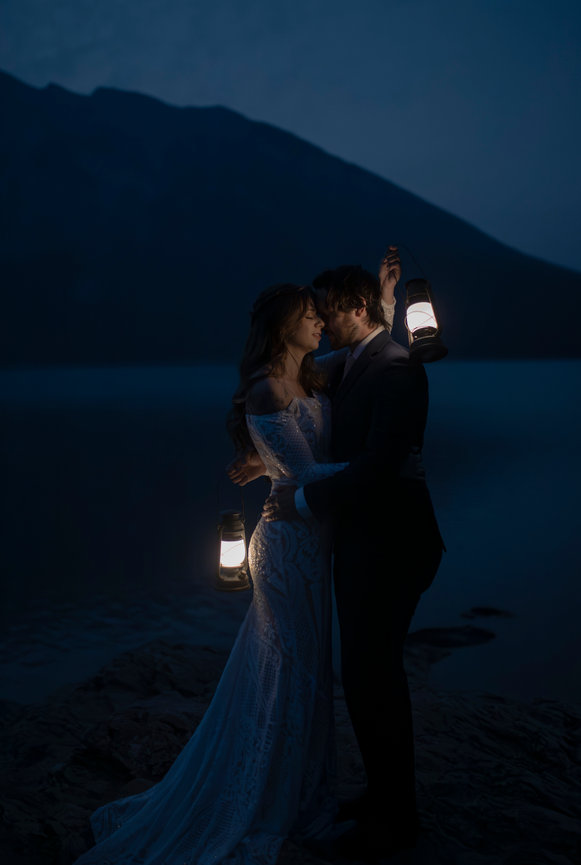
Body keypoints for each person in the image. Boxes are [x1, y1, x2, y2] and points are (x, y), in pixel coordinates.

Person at [73, 280, 388, 865]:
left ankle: (300, 790)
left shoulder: (312, 376)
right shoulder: (267, 389)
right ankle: (268, 802)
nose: (319, 321)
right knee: (288, 673)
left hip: (316, 546)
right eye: (308, 316)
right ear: (279, 328)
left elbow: (370, 347)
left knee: (309, 673)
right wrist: (383, 465)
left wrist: (387, 300)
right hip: (289, 548)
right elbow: (307, 475)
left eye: (321, 314)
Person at [262, 258, 445, 862]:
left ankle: (398, 818)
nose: (321, 320)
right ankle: (381, 797)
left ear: (355, 310)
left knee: (378, 680)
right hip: (366, 545)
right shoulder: (361, 362)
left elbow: (381, 468)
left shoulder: (395, 370)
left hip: (393, 547)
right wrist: (261, 456)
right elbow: (300, 380)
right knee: (366, 679)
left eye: (327, 310)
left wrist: (303, 499)